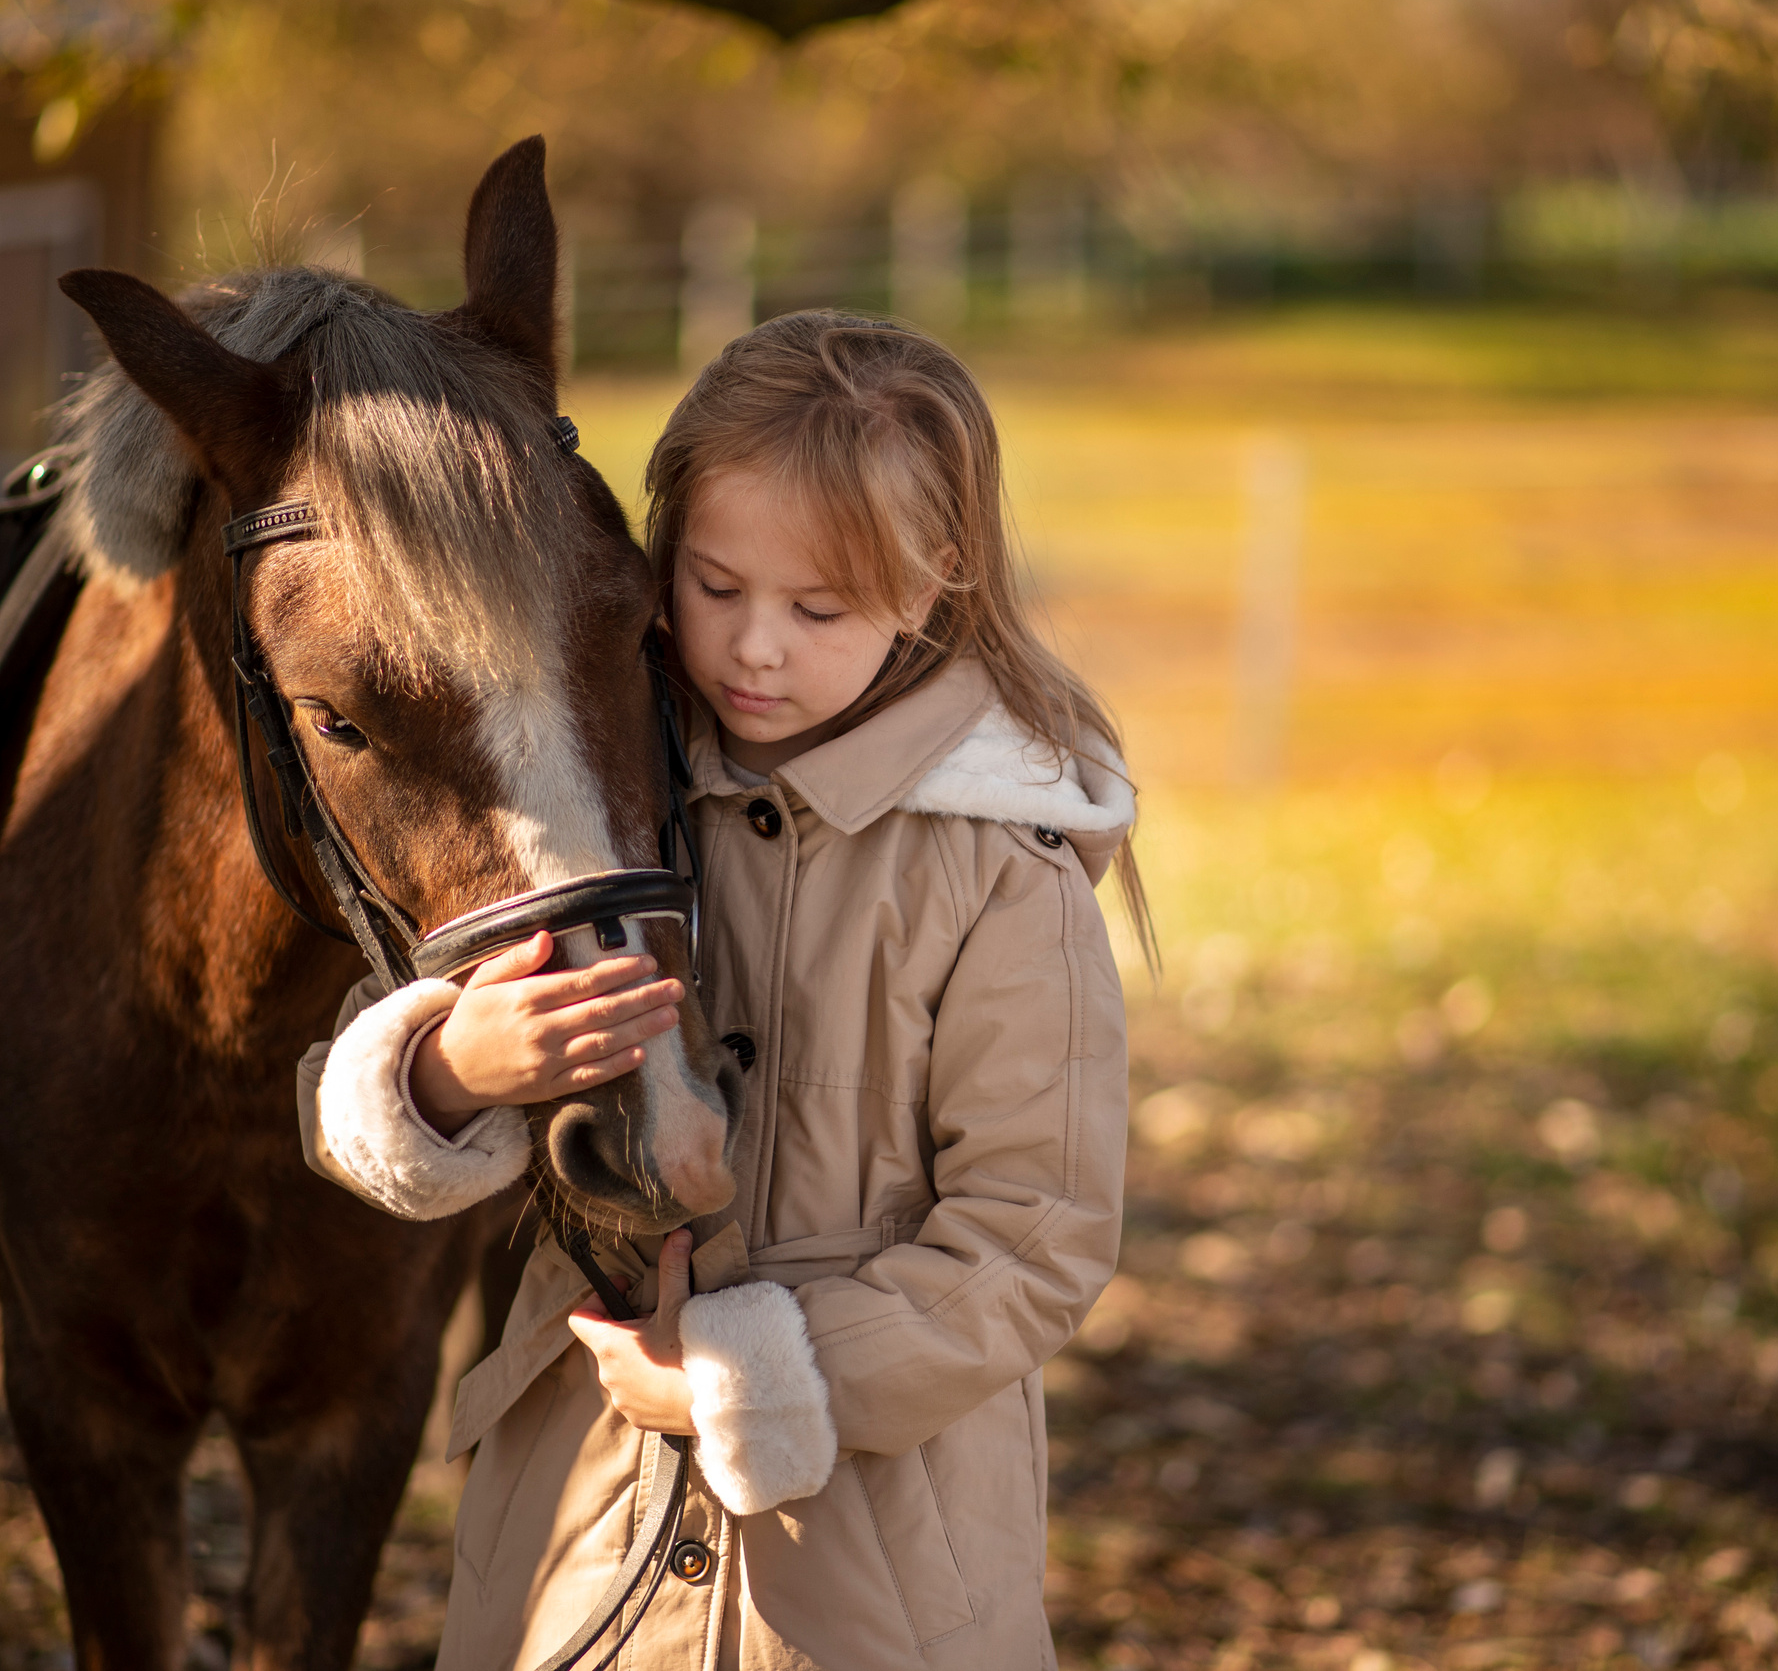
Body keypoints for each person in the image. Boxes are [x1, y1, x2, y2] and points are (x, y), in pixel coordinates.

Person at [294, 310, 1145, 1670]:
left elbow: (1036, 1230)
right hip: (580, 1526)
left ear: (935, 585)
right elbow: (380, 1114)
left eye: (818, 611)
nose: (754, 648)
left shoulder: (998, 869)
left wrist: (754, 1377)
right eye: (713, 586)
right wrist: (451, 1066)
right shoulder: (605, 781)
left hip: (872, 1565)